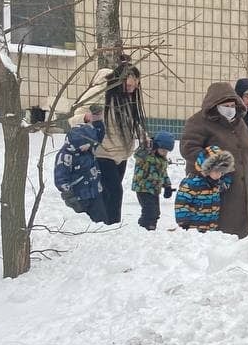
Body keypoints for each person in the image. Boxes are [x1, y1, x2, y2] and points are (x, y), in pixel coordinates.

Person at [180, 82, 248, 237]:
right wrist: (212, 164)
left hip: (240, 187)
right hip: (210, 187)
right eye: (225, 105)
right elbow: (189, 148)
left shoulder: (239, 123)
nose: (230, 108)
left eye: (232, 105)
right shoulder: (198, 121)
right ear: (215, 104)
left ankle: (242, 252)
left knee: (240, 225)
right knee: (218, 229)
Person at [91, 59, 149, 224]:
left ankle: (104, 222)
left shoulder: (125, 98)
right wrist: (88, 118)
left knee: (109, 191)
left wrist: (142, 134)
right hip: (103, 153)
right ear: (120, 80)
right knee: (115, 191)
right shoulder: (101, 96)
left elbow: (129, 121)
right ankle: (110, 225)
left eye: (136, 85)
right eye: (130, 85)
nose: (133, 89)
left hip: (121, 154)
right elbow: (78, 115)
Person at [54, 122, 110, 224]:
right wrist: (69, 195)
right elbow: (60, 178)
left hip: (95, 193)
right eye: (85, 145)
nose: (88, 147)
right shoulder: (66, 156)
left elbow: (98, 136)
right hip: (79, 197)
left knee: (101, 222)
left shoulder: (89, 151)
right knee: (84, 223)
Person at [175, 145, 235, 232]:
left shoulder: (217, 184)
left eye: (221, 172)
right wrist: (183, 222)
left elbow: (226, 185)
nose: (219, 175)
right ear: (207, 169)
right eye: (216, 171)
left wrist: (229, 173)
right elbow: (181, 203)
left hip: (210, 228)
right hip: (193, 228)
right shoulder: (192, 183)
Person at [130, 131, 175, 231]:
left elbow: (163, 174)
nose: (164, 152)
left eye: (167, 151)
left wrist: (167, 186)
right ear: (156, 145)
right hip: (143, 188)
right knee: (149, 210)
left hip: (154, 189)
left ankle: (151, 227)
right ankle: (145, 227)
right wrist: (147, 146)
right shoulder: (146, 154)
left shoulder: (162, 160)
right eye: (163, 149)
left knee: (156, 212)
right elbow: (137, 154)